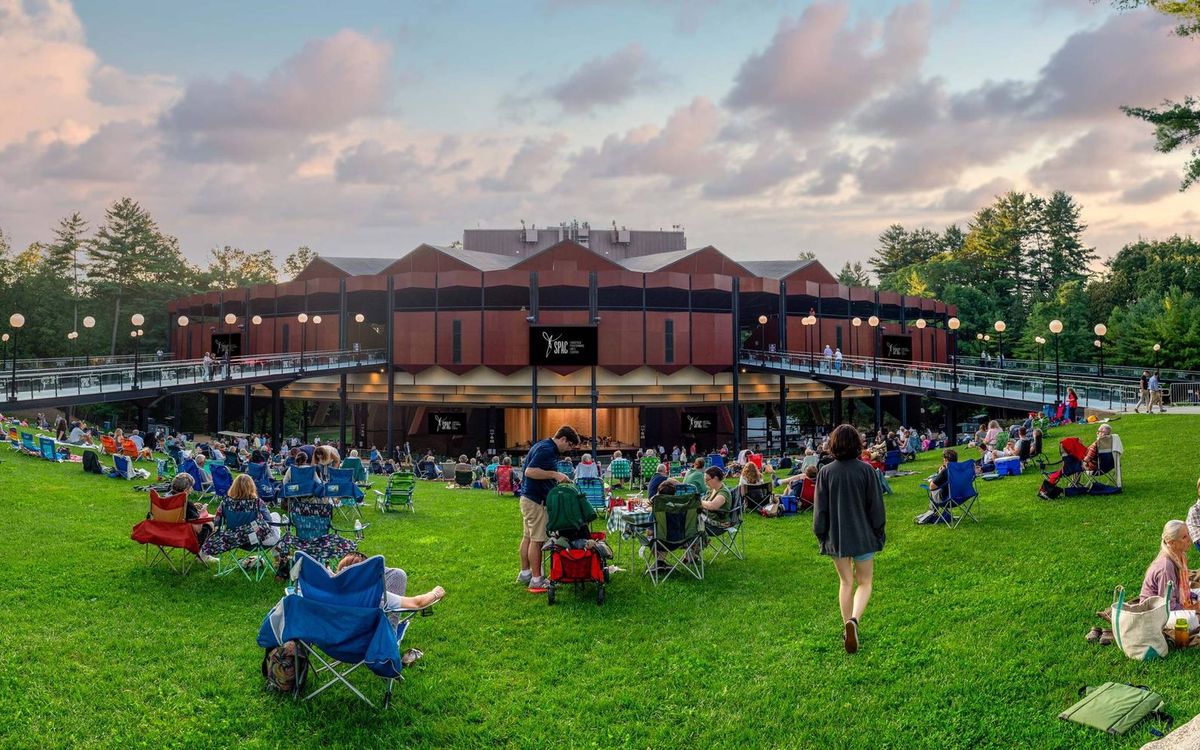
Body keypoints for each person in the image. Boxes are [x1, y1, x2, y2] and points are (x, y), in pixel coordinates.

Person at [813, 424, 885, 655]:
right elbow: (876, 506)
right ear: (857, 444)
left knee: (845, 582)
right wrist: (879, 530)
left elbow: (820, 510)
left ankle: (847, 627)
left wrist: (821, 534)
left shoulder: (825, 472)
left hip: (837, 537)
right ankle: (854, 620)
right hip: (863, 534)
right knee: (864, 582)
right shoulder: (866, 471)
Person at [516, 425, 581, 592]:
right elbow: (530, 472)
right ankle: (537, 580)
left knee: (528, 538)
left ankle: (525, 573)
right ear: (564, 439)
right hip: (536, 500)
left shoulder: (542, 445)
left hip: (528, 498)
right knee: (537, 541)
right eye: (570, 446)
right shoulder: (547, 450)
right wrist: (555, 475)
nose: (569, 450)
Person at [336, 551, 446, 615]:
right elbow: (417, 603)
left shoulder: (328, 593)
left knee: (395, 573)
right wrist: (435, 593)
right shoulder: (376, 596)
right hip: (372, 646)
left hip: (335, 643)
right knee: (398, 574)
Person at [1141, 520, 1200, 629]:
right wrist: (1193, 609)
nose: (1190, 539)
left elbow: (1181, 590)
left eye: (1188, 534)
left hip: (1176, 600)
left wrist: (1194, 598)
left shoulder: (1181, 556)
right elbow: (1168, 606)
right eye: (1184, 537)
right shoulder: (1166, 567)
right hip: (1156, 612)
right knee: (1192, 620)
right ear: (1172, 542)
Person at [168, 473, 216, 559]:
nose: (192, 489)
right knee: (211, 524)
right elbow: (197, 528)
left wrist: (193, 506)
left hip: (164, 531)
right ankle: (204, 556)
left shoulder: (164, 499)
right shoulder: (186, 504)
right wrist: (202, 513)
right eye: (191, 487)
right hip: (182, 534)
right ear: (186, 489)